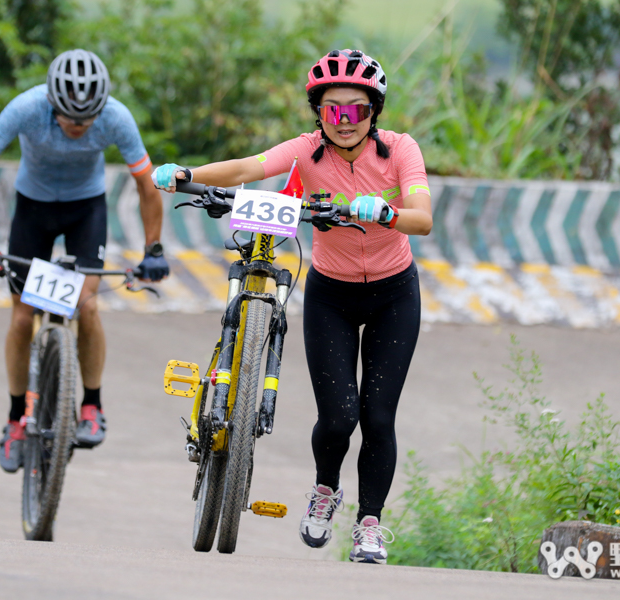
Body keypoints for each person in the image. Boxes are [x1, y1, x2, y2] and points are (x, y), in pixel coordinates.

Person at [151, 49, 432, 564]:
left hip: (395, 292)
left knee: (378, 416)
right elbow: (248, 166)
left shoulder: (399, 150)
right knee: (339, 417)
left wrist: (387, 211)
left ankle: (369, 525)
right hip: (332, 293)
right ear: (318, 114)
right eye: (332, 110)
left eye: (357, 110)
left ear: (375, 112)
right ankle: (325, 489)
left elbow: (423, 216)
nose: (345, 121)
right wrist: (189, 173)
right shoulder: (306, 152)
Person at [0, 49, 169, 473]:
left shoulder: (116, 117)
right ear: (52, 105)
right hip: (32, 210)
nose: (78, 127)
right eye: (70, 120)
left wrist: (154, 249)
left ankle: (91, 404)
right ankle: (16, 417)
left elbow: (147, 185)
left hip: (85, 210)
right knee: (21, 319)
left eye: (86, 120)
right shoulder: (27, 108)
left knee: (86, 305)